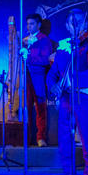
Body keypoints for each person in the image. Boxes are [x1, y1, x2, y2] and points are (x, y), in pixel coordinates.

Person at [46, 9, 88, 175]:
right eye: (72, 22)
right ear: (67, 26)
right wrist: (52, 84)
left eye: (79, 21)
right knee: (65, 147)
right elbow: (53, 73)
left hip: (83, 98)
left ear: (85, 22)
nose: (75, 25)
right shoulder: (63, 47)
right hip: (66, 99)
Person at [20, 13, 53, 147]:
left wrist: (29, 57)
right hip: (25, 76)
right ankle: (25, 138)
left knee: (40, 107)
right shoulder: (24, 40)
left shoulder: (44, 40)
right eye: (28, 24)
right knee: (25, 107)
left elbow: (46, 60)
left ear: (39, 25)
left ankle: (40, 138)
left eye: (32, 24)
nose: (29, 26)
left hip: (38, 77)